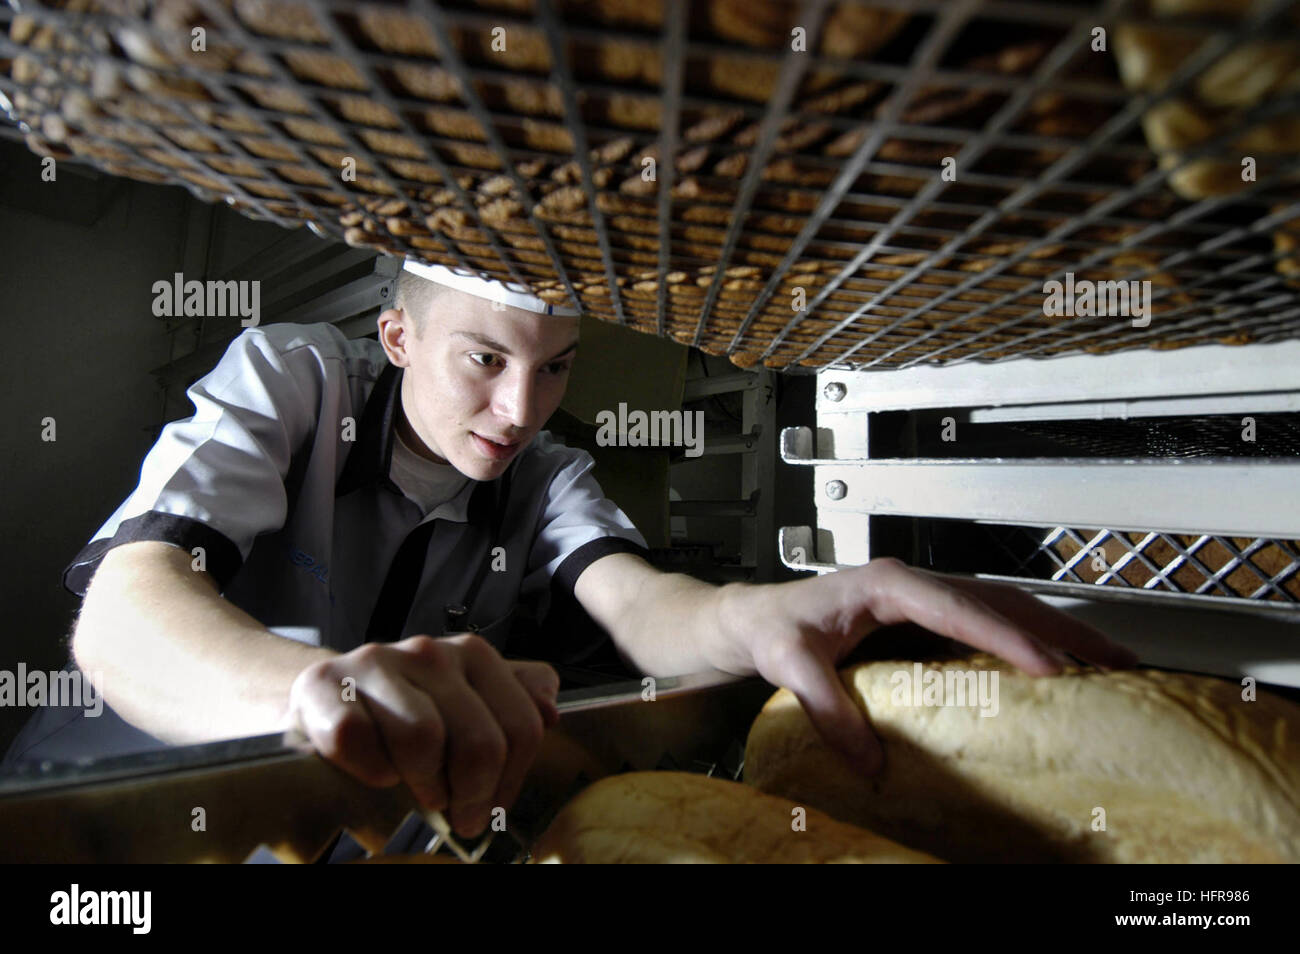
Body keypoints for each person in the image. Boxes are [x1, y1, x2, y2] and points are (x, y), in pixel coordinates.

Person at [4, 258, 1137, 840]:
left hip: (320, 825)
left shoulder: (544, 472)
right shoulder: (292, 379)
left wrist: (757, 614)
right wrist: (317, 688)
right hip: (100, 810)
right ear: (397, 337)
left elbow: (637, 602)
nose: (521, 406)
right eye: (485, 360)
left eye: (555, 368)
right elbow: (126, 606)